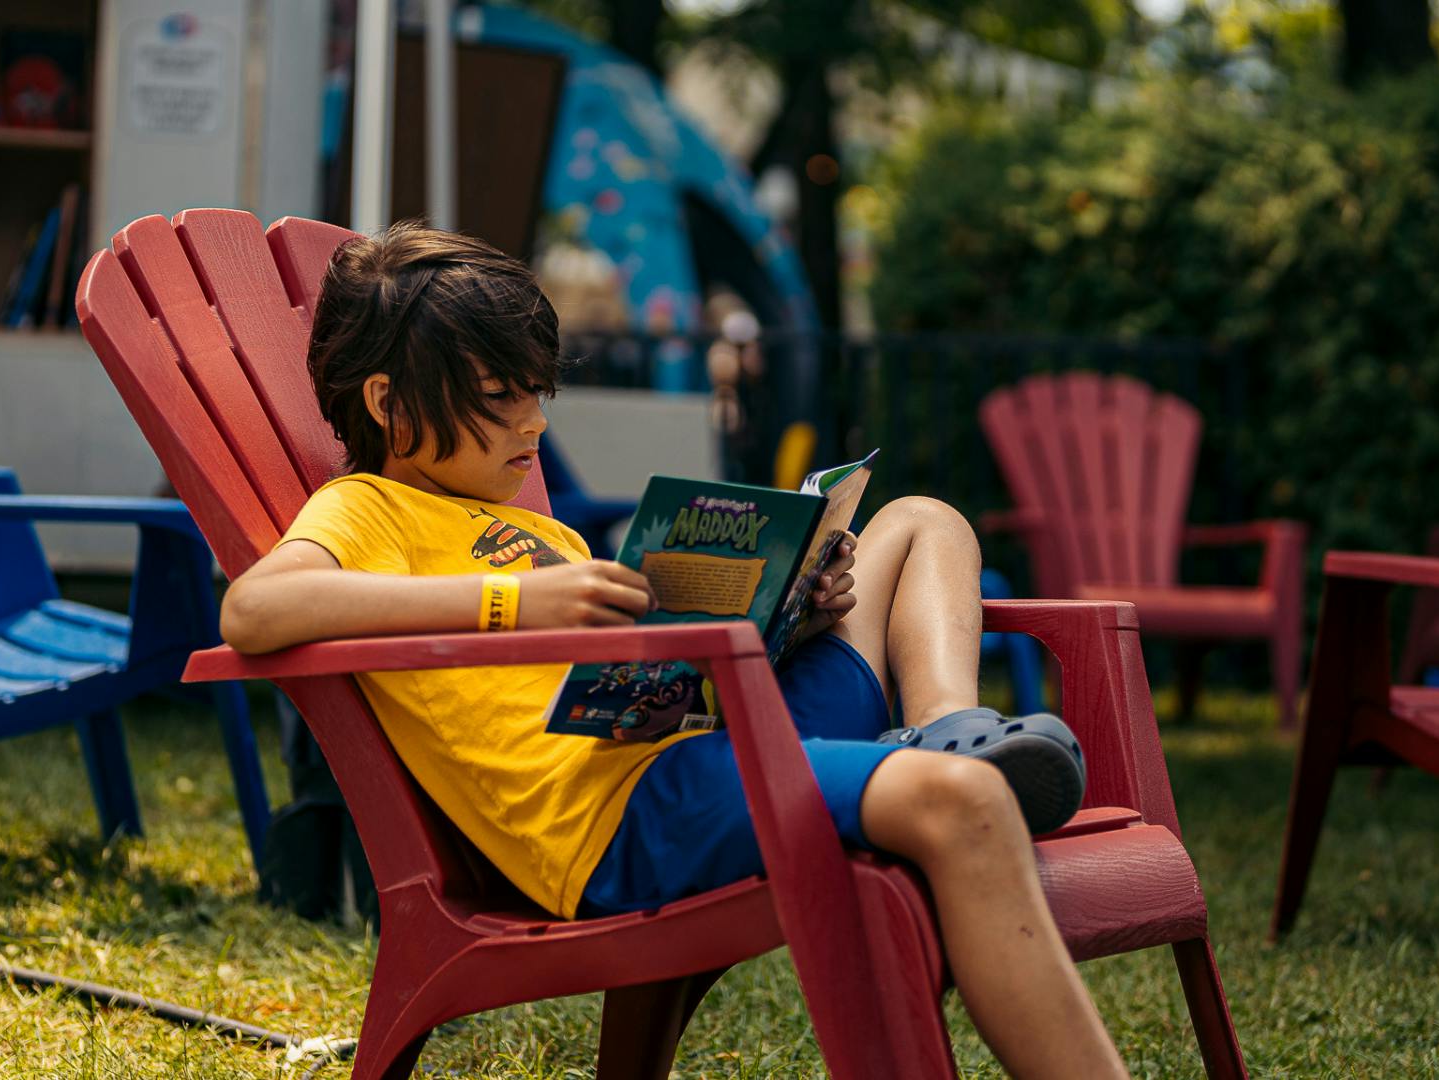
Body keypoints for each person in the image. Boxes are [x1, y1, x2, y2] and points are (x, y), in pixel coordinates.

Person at [218, 223, 1126, 1078]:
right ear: (387, 402)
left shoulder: (543, 532)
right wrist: (512, 603)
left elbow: (654, 688)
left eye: (536, 394)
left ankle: (949, 726)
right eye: (498, 397)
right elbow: (255, 609)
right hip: (621, 817)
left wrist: (790, 620)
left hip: (701, 747)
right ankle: (953, 769)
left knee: (922, 521)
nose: (533, 425)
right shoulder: (366, 509)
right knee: (963, 804)